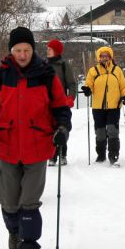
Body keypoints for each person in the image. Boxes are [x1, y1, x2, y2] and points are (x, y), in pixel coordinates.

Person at [0, 26, 72, 249]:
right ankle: (14, 231)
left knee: (29, 202)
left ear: (33, 50)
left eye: (26, 49)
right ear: (11, 51)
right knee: (8, 202)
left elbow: (61, 107)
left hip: (37, 147)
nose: (22, 54)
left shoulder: (46, 75)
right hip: (6, 147)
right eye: (18, 50)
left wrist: (62, 128)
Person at [81, 46, 125, 165]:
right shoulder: (93, 71)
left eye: (106, 56)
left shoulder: (116, 70)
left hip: (114, 106)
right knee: (100, 132)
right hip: (98, 107)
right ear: (99, 57)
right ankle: (101, 154)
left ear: (110, 57)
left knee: (113, 131)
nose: (104, 58)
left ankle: (113, 154)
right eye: (102, 56)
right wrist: (87, 89)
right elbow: (89, 83)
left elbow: (123, 86)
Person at [46, 39, 77, 167]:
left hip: (61, 102)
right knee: (49, 128)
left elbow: (71, 83)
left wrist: (70, 97)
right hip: (47, 103)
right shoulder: (44, 65)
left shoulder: (63, 65)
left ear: (56, 51)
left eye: (50, 49)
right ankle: (52, 155)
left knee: (61, 127)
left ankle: (63, 154)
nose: (47, 51)